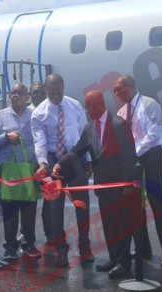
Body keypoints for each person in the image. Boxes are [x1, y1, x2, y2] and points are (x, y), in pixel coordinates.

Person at [56, 90, 137, 278]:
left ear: (101, 104)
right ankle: (114, 258)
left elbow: (128, 156)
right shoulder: (90, 128)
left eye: (91, 108)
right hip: (102, 185)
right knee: (109, 223)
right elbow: (77, 150)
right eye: (87, 108)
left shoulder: (119, 125)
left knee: (121, 225)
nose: (88, 111)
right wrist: (60, 164)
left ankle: (124, 263)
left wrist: (128, 184)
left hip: (119, 185)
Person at [114, 75, 162, 266]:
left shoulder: (150, 104)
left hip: (150, 158)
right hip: (132, 163)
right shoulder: (121, 112)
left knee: (157, 204)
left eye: (120, 89)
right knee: (134, 205)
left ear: (131, 85)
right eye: (115, 91)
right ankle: (143, 249)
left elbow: (153, 134)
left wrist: (134, 153)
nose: (117, 94)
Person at [33, 74, 92, 266]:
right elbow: (39, 140)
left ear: (64, 88)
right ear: (46, 91)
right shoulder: (39, 112)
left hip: (75, 158)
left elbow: (85, 134)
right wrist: (42, 163)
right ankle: (60, 250)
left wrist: (89, 160)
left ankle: (85, 247)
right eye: (51, 94)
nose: (55, 97)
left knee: (81, 204)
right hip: (52, 160)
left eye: (58, 93)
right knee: (55, 208)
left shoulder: (74, 106)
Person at [0, 83, 41, 260]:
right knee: (8, 209)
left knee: (29, 209)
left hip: (29, 168)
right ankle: (10, 246)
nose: (15, 95)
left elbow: (42, 139)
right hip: (7, 169)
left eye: (20, 93)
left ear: (27, 97)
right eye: (13, 93)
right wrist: (5, 137)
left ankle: (29, 243)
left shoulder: (35, 116)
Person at [27, 81, 50, 241]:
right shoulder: (25, 112)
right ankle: (27, 237)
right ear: (30, 94)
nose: (39, 95)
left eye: (42, 92)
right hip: (29, 164)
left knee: (50, 200)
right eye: (35, 92)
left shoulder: (51, 110)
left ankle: (50, 233)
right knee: (29, 202)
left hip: (47, 164)